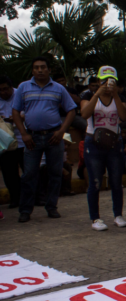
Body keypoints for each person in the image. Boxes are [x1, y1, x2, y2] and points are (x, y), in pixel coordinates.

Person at [12, 56, 77, 222]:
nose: (40, 70)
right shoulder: (23, 87)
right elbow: (15, 112)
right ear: (32, 70)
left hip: (53, 136)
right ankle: (25, 210)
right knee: (29, 174)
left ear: (49, 70)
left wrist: (62, 131)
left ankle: (52, 207)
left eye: (43, 67)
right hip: (32, 137)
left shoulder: (58, 88)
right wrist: (24, 134)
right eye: (36, 68)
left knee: (55, 173)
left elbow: (71, 111)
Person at [81, 66, 126, 231]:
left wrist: (115, 94)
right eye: (104, 81)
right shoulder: (88, 96)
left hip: (114, 144)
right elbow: (85, 114)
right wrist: (97, 94)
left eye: (111, 81)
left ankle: (118, 215)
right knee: (95, 182)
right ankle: (95, 218)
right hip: (93, 143)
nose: (107, 84)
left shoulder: (119, 97)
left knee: (116, 181)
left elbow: (124, 117)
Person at [0, 75, 23, 209]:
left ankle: (34, 196)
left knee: (29, 171)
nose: (3, 92)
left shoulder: (20, 95)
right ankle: (15, 198)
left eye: (5, 89)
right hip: (6, 142)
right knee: (9, 173)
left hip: (23, 138)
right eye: (0, 90)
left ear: (11, 87)